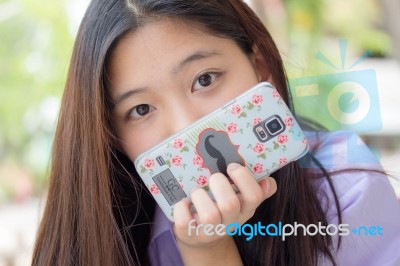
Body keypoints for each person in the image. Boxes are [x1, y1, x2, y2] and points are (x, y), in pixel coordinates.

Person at [32, 0, 400, 265]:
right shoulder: (109, 226)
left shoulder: (348, 189)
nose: (187, 126)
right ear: (111, 136)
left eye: (204, 79)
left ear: (259, 67)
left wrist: (208, 252)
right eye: (141, 110)